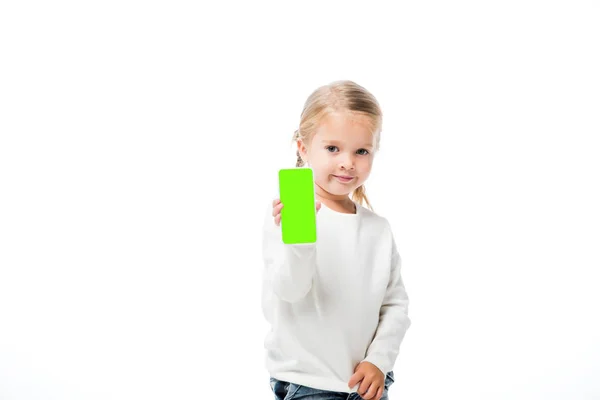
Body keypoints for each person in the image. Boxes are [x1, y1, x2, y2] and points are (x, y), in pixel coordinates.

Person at [262, 80, 411, 400]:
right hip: (307, 383)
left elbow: (395, 306)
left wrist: (379, 360)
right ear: (303, 148)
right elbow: (289, 290)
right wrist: (300, 239)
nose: (347, 162)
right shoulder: (287, 217)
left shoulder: (378, 229)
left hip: (366, 384)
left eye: (361, 151)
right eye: (333, 148)